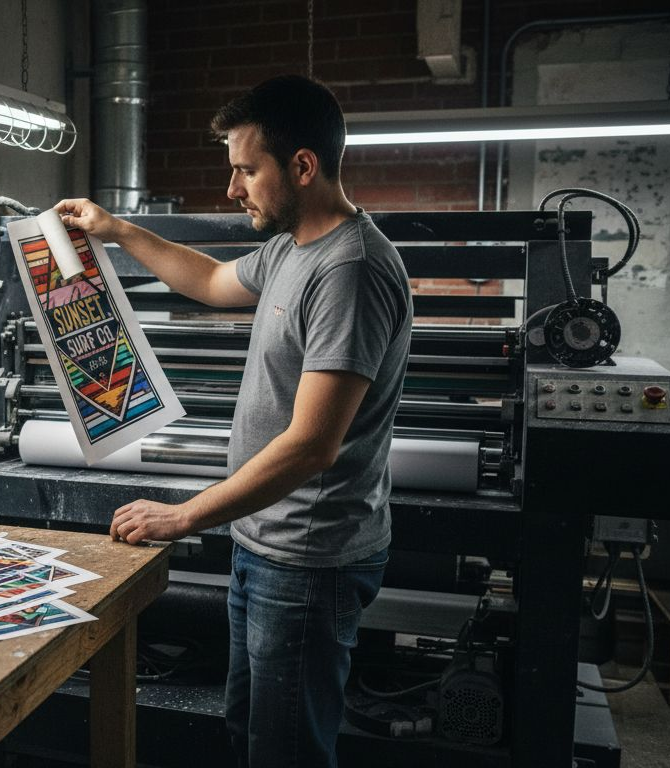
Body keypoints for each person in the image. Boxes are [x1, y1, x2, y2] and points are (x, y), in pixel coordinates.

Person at [54, 75, 412, 767]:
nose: (232, 189)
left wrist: (183, 517)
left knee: (285, 751)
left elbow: (311, 446)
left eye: (247, 170)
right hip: (265, 544)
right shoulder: (292, 249)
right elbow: (213, 283)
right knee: (253, 733)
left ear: (302, 166)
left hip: (307, 561)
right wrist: (117, 230)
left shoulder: (350, 271)